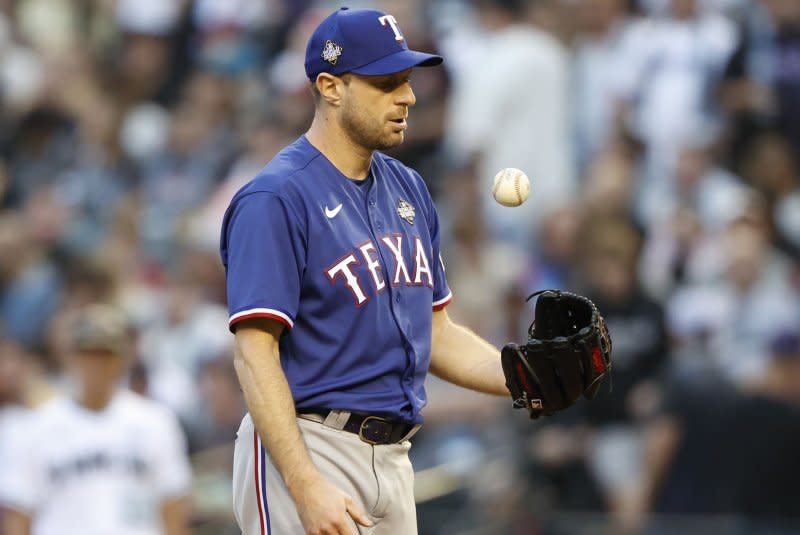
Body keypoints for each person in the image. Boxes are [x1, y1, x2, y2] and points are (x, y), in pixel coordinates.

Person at [219, 7, 509, 535]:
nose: (408, 97)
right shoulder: (276, 199)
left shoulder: (409, 188)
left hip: (395, 459)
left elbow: (436, 332)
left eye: (408, 80)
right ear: (331, 87)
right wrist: (305, 486)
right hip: (310, 445)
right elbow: (254, 355)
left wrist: (519, 374)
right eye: (387, 82)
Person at [0, 304, 192, 535]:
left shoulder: (155, 421)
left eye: (105, 354)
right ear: (72, 357)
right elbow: (19, 512)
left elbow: (174, 504)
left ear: (122, 359)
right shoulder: (36, 426)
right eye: (89, 354)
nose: (97, 364)